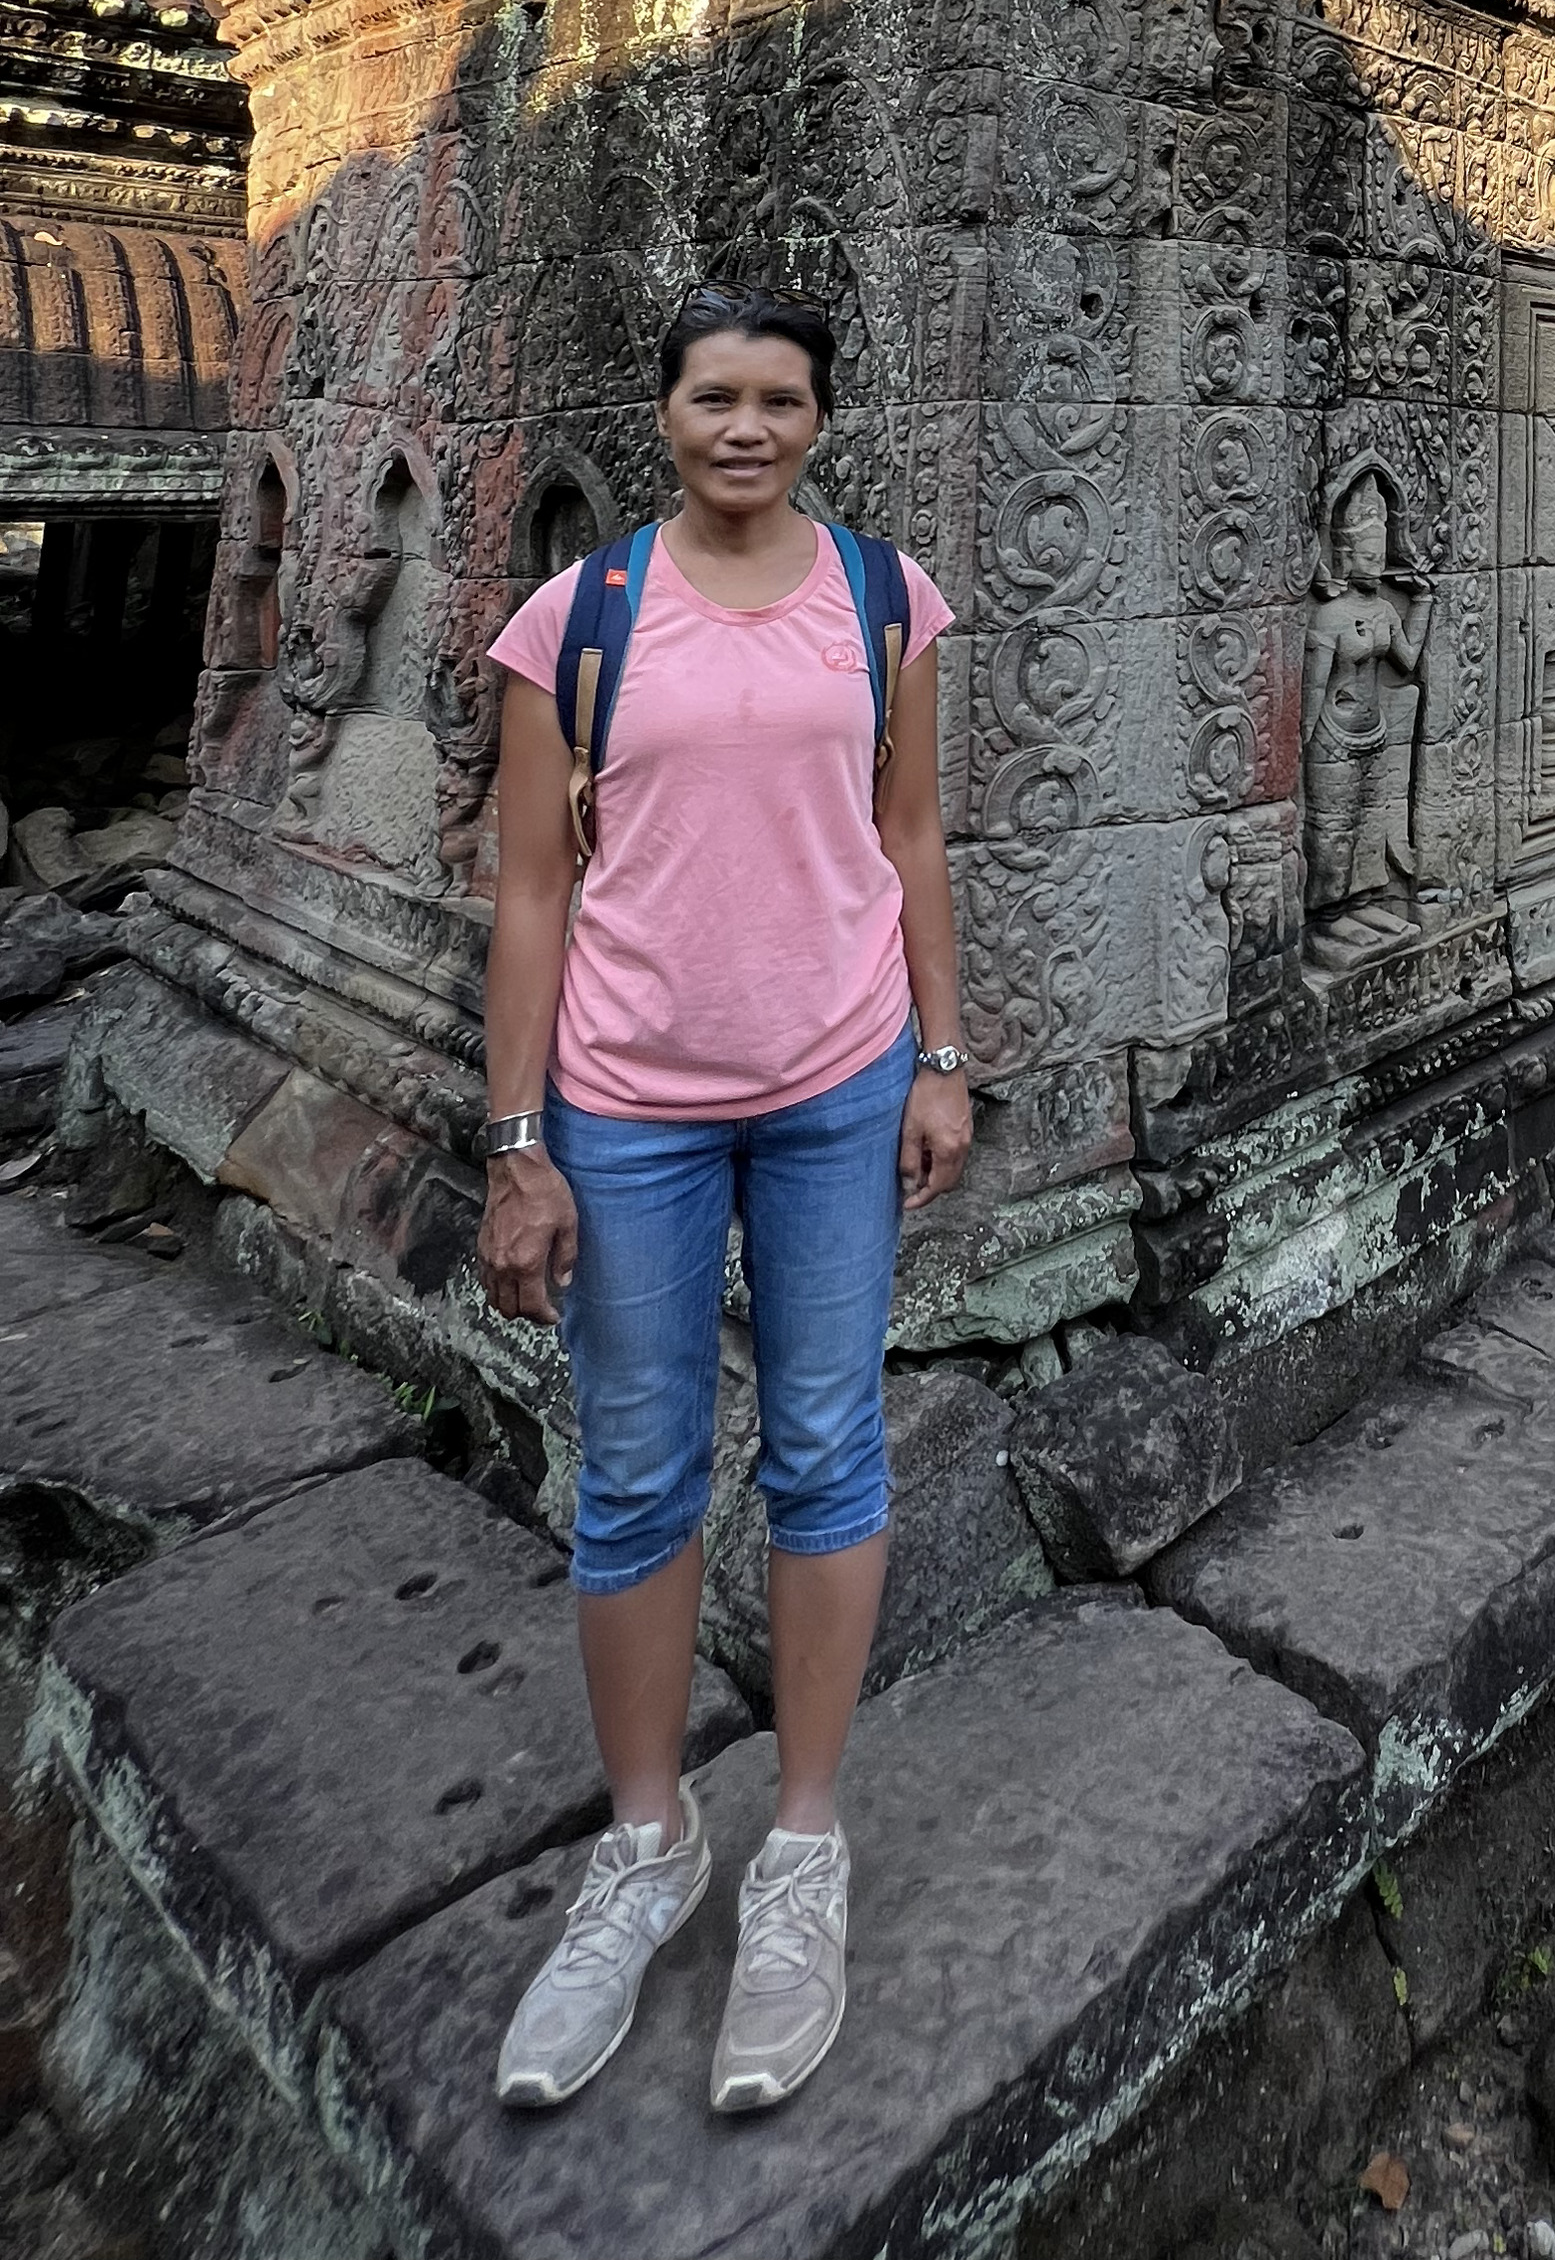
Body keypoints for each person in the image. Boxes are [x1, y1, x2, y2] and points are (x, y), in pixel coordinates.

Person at [472, 284, 970, 2114]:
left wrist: (941, 1051)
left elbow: (911, 833)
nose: (743, 427)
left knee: (831, 1446)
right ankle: (647, 1842)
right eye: (712, 398)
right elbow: (531, 891)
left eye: (777, 399)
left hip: (839, 1086)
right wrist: (514, 1140)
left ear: (821, 420)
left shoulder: (884, 604)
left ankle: (806, 1845)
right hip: (627, 1105)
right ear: (666, 414)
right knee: (634, 1468)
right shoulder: (577, 622)